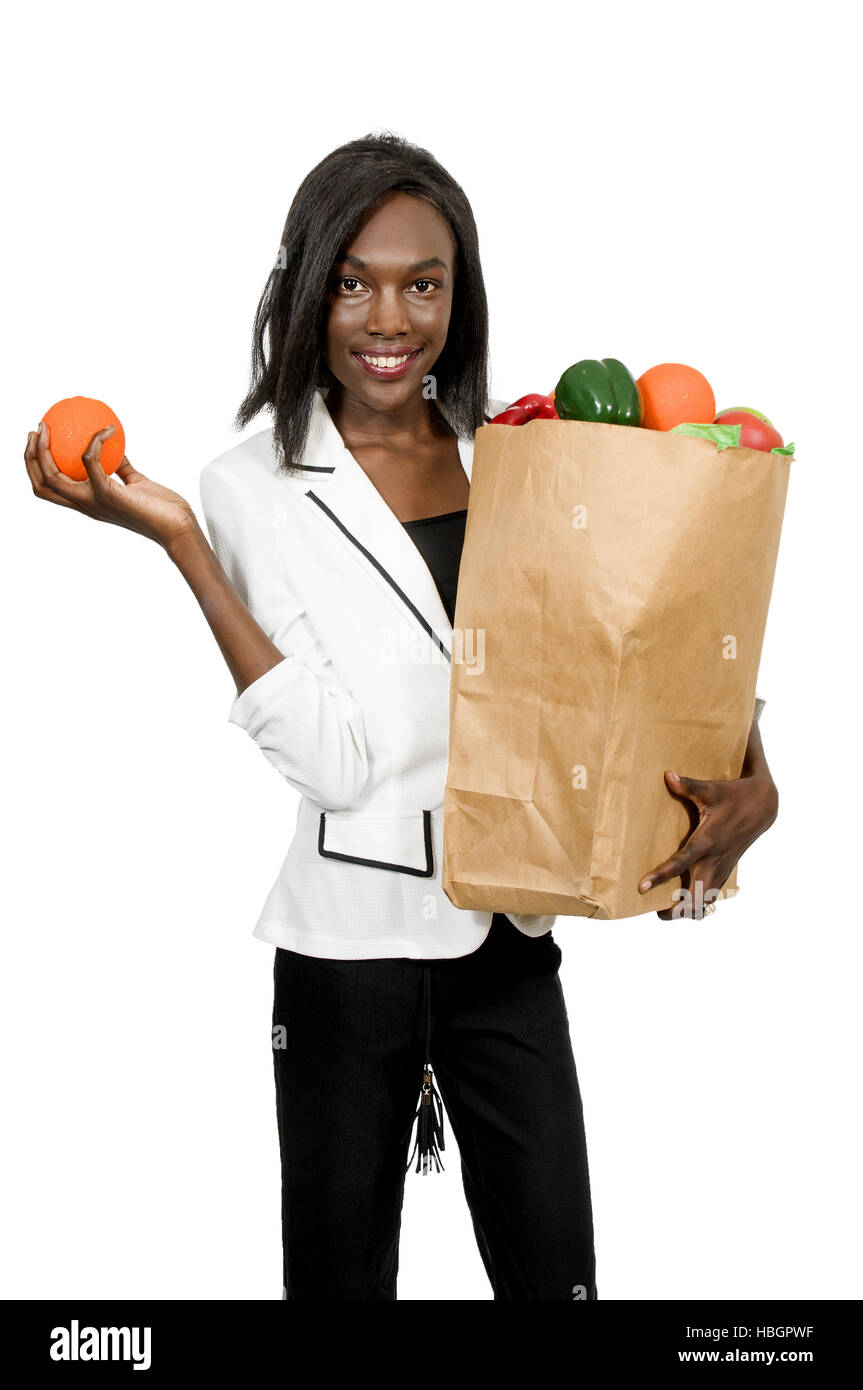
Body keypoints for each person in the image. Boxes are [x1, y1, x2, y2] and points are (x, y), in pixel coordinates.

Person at [24, 132, 779, 1301]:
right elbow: (331, 763)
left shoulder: (524, 454)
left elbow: (622, 653)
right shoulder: (245, 489)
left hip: (509, 943)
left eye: (422, 282)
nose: (390, 316)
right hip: (345, 961)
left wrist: (753, 763)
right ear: (306, 288)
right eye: (353, 280)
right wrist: (181, 543)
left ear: (456, 296)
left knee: (559, 1283)